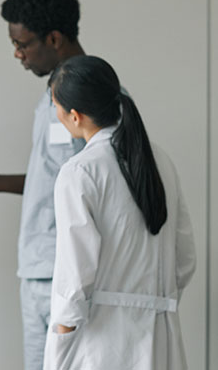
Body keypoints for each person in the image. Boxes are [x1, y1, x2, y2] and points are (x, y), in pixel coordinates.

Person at [43, 55, 195, 369]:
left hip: (100, 342)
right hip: (160, 335)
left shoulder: (80, 171)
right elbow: (184, 259)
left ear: (74, 115)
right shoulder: (160, 160)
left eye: (55, 105)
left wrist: (62, 333)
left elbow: (75, 272)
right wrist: (150, 304)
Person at [0, 0, 86, 370]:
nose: (17, 54)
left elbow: (97, 187)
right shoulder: (53, 93)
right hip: (39, 270)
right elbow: (57, 177)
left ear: (53, 39)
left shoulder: (90, 99)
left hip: (67, 273)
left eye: (21, 44)